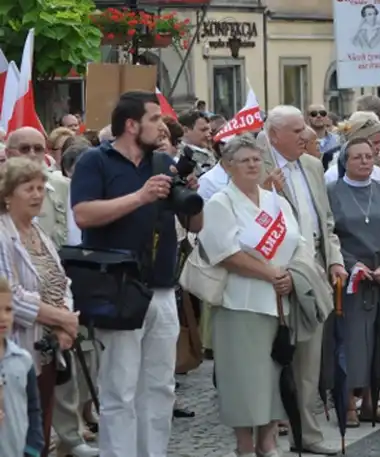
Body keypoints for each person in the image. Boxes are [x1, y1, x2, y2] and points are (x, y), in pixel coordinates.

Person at [70, 91, 204, 457]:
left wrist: (191, 197)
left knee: (160, 388)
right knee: (120, 389)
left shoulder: (163, 162)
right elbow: (83, 215)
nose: (162, 127)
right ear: (131, 125)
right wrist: (140, 197)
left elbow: (195, 224)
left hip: (161, 287)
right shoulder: (94, 162)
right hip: (116, 285)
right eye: (155, 120)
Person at [201, 135, 303, 457]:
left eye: (256, 159)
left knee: (275, 376)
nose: (252, 165)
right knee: (244, 380)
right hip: (239, 303)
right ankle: (245, 447)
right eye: (244, 160)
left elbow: (298, 242)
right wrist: (270, 273)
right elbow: (226, 254)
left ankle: (269, 441)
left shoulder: (277, 201)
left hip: (280, 304)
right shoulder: (220, 203)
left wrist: (291, 276)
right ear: (229, 166)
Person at [260, 105, 347, 456]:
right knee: (272, 359)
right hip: (274, 279)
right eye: (297, 131)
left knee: (310, 363)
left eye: (305, 131)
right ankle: (267, 433)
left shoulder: (312, 165)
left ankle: (307, 435)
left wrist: (335, 261)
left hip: (312, 275)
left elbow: (326, 222)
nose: (306, 136)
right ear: (274, 135)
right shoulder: (257, 168)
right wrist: (267, 190)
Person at [0, 157, 97, 457]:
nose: (37, 194)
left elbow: (60, 280)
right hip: (19, 342)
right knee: (20, 427)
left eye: (41, 187)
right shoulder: (3, 235)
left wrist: (64, 321)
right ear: (7, 196)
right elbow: (10, 293)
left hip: (48, 343)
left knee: (40, 421)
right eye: (28, 188)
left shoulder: (39, 232)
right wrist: (62, 319)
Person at [327, 137, 380, 426]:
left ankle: (371, 404)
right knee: (351, 342)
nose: (364, 161)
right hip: (351, 280)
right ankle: (348, 404)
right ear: (344, 162)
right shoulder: (332, 192)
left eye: (367, 156)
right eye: (356, 157)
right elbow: (329, 235)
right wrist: (352, 264)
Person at [0, 276, 44, 457]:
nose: (3, 317)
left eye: (8, 309)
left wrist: (32, 448)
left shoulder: (23, 360)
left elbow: (33, 407)